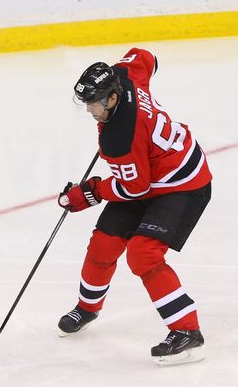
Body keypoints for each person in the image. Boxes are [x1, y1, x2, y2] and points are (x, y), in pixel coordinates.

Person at [57, 48, 212, 365]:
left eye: (94, 104)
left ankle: (187, 333)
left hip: (182, 183)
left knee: (143, 254)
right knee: (103, 244)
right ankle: (87, 308)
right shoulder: (125, 75)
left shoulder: (120, 139)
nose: (90, 110)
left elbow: (133, 188)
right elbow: (145, 56)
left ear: (112, 99)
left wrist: (89, 192)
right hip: (148, 173)